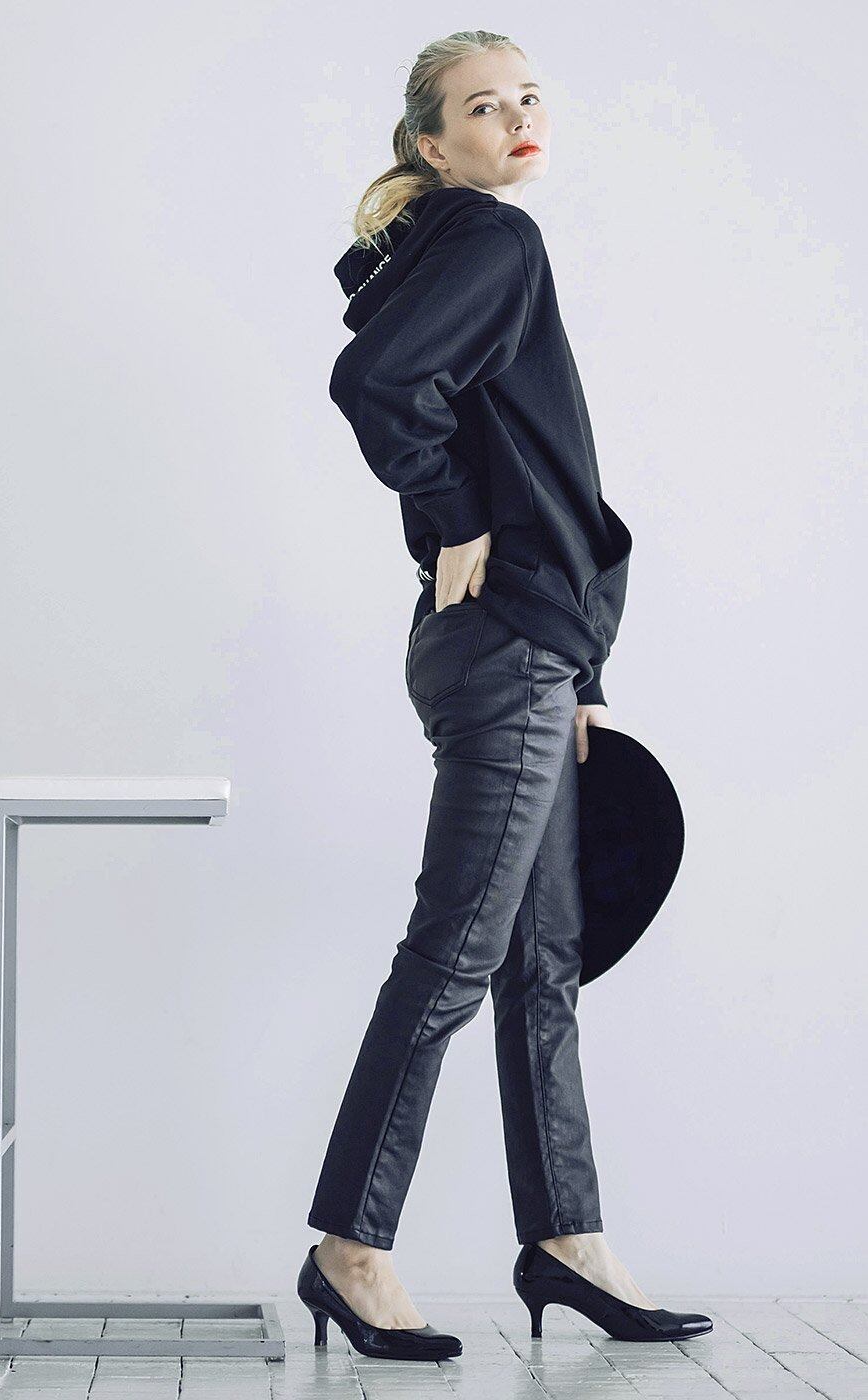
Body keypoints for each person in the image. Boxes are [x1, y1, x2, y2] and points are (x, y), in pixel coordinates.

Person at [297, 30, 712, 1362]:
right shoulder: (489, 235)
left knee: (542, 963)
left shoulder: (455, 245)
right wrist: (452, 513)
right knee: (457, 957)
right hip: (504, 644)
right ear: (435, 144)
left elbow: (521, 450)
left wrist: (583, 673)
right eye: (483, 107)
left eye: (528, 97)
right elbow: (375, 385)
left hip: (528, 647)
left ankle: (566, 1243)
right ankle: (350, 1249)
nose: (516, 117)